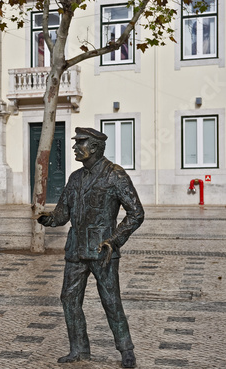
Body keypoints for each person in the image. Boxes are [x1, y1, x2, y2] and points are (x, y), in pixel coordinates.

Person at [37, 127, 144, 368]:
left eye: (80, 143)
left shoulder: (114, 175)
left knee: (111, 300)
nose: (74, 147)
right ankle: (79, 349)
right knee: (69, 299)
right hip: (76, 249)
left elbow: (136, 213)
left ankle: (126, 349)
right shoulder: (75, 178)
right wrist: (50, 218)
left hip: (102, 250)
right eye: (75, 143)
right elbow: (63, 212)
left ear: (94, 147)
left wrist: (115, 240)